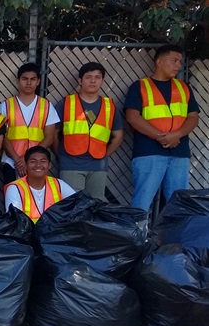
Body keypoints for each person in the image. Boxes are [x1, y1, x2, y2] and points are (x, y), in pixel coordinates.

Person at [124, 44, 200, 211]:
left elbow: (193, 117)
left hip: (179, 153)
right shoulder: (140, 86)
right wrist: (163, 137)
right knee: (142, 201)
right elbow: (132, 117)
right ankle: (136, 236)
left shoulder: (183, 87)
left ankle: (173, 237)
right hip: (149, 152)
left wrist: (177, 135)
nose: (178, 66)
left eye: (180, 62)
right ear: (159, 62)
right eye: (174, 61)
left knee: (179, 203)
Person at [56, 62, 124, 201]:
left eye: (97, 77)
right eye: (88, 77)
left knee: (96, 204)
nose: (93, 81)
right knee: (72, 204)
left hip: (98, 165)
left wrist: (104, 154)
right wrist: (61, 154)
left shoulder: (109, 106)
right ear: (80, 81)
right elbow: (53, 133)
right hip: (71, 163)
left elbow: (118, 135)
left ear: (102, 81)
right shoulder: (67, 103)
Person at [0, 63, 59, 184]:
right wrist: (18, 160)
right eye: (24, 79)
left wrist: (28, 159)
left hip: (36, 162)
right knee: (13, 198)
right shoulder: (6, 105)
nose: (28, 83)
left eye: (33, 79)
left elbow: (49, 136)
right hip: (11, 161)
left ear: (38, 81)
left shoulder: (46, 106)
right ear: (18, 80)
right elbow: (2, 137)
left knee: (35, 199)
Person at [4, 146, 75, 222]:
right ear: (26, 165)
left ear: (49, 165)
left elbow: (78, 205)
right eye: (33, 161)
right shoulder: (15, 188)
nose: (38, 165)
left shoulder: (59, 184)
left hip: (56, 232)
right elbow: (15, 221)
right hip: (27, 233)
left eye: (43, 161)